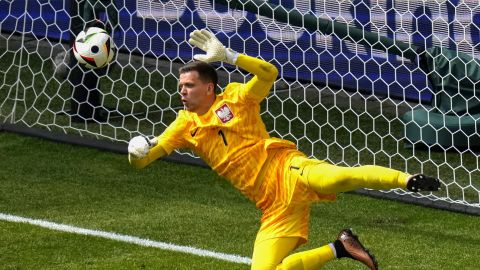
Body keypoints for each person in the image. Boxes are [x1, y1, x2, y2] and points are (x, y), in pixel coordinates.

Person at [127, 29, 440, 270]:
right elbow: (144, 161)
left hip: (286, 168)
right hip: (271, 206)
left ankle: (407, 180)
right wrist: (136, 151)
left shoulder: (237, 98)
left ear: (209, 87)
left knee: (337, 178)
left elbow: (269, 73)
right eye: (180, 86)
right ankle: (341, 247)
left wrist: (231, 57)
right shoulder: (183, 125)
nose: (182, 91)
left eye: (189, 85)